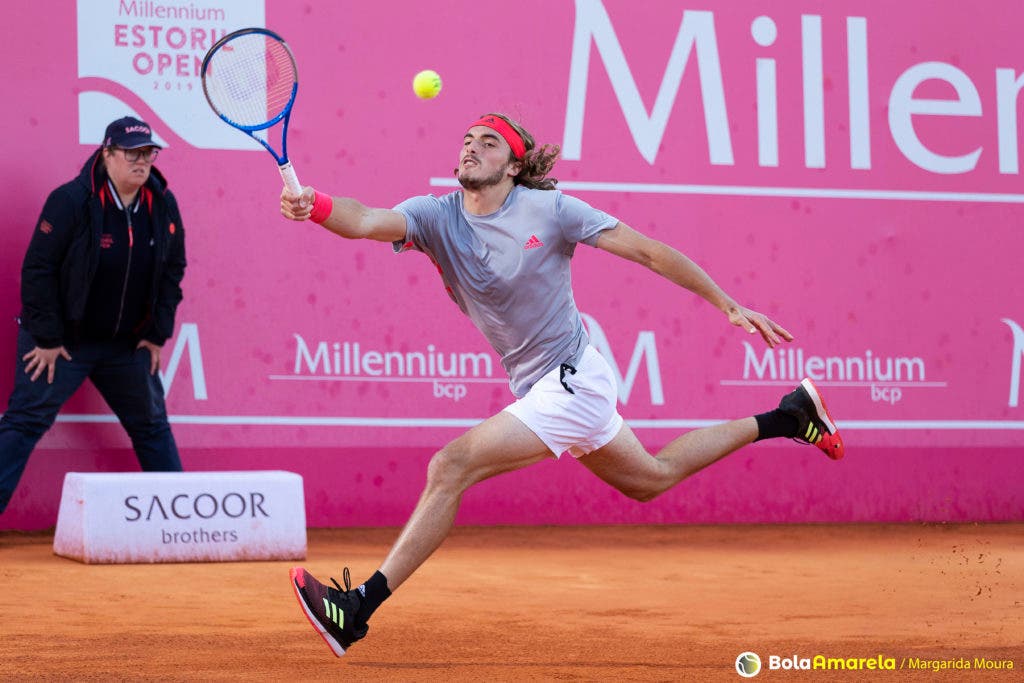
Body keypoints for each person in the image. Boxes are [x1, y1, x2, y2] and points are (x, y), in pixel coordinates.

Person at [280, 113, 844, 657]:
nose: (471, 148)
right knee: (651, 478)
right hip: (546, 386)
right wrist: (316, 205)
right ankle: (791, 416)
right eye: (467, 140)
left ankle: (356, 610)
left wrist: (726, 303)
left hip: (573, 378)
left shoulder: (550, 210)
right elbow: (363, 219)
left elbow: (649, 251)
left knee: (450, 466)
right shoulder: (434, 216)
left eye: (489, 143)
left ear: (514, 167)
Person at [0, 116, 187, 514]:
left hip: (125, 345)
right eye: (132, 153)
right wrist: (48, 339)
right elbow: (38, 270)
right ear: (107, 153)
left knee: (152, 426)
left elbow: (173, 269)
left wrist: (157, 332)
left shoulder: (163, 203)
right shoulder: (71, 200)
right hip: (63, 343)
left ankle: (182, 523)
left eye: (148, 153)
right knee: (24, 421)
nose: (142, 161)